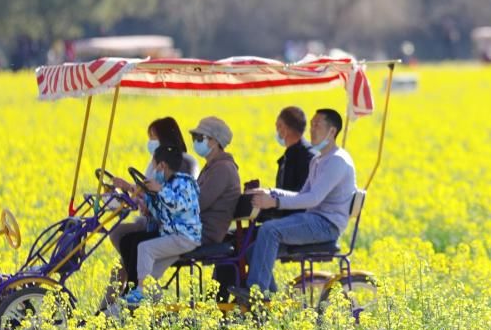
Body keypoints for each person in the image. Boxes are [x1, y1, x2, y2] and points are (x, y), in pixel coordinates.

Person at [231, 108, 356, 300]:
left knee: (270, 230)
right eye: (312, 124)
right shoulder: (318, 160)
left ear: (332, 132)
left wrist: (275, 201)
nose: (311, 130)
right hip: (312, 219)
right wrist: (270, 192)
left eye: (317, 125)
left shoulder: (337, 161)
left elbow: (313, 199)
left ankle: (255, 294)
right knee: (252, 252)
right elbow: (302, 194)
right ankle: (270, 304)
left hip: (326, 224)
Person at [122, 146, 203, 305]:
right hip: (171, 237)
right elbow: (162, 211)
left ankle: (139, 293)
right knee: (149, 275)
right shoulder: (165, 185)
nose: (153, 169)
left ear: (162, 166)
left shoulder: (184, 183)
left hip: (185, 237)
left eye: (154, 164)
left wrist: (159, 189)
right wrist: (146, 204)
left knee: (144, 248)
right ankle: (151, 304)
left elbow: (179, 205)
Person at [189, 116, 242, 248]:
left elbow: (199, 203)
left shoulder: (222, 169)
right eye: (194, 137)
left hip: (204, 234)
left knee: (143, 243)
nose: (196, 142)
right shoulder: (211, 167)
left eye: (200, 138)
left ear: (215, 142)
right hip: (194, 229)